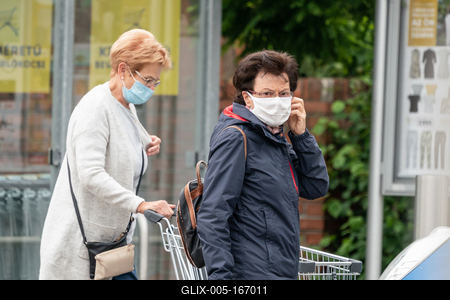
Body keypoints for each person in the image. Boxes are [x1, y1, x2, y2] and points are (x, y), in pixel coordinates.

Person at [39, 29, 175, 280]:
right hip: (84, 250)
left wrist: (143, 144)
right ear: (123, 70)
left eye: (155, 82)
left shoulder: (125, 104)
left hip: (112, 248)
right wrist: (141, 205)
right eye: (147, 80)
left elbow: (115, 143)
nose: (151, 88)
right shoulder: (95, 107)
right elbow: (91, 174)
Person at [197, 50, 329, 280]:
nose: (277, 100)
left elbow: (315, 186)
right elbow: (213, 214)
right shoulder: (237, 138)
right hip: (251, 274)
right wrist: (220, 278)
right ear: (248, 98)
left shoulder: (273, 136)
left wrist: (300, 136)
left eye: (284, 93)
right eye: (267, 93)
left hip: (280, 270)